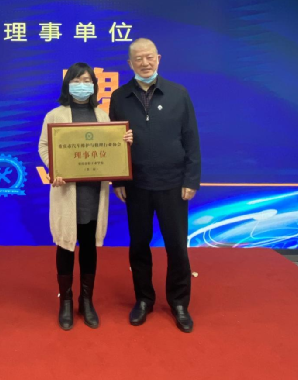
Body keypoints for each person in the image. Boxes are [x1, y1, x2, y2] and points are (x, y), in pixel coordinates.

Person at [109, 39, 201, 333]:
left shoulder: (178, 93)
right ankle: (144, 299)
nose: (145, 63)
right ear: (130, 63)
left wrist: (191, 179)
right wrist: (118, 180)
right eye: (138, 59)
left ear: (158, 58)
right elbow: (113, 143)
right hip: (136, 185)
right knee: (138, 245)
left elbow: (191, 138)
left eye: (149, 57)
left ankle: (179, 303)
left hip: (173, 184)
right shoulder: (119, 97)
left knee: (177, 246)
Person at [39, 62, 132, 331]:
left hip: (93, 193)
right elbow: (44, 146)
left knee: (89, 246)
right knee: (66, 246)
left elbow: (111, 149)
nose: (83, 84)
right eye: (77, 80)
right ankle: (66, 301)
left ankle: (86, 300)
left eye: (87, 80)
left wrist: (123, 142)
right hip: (67, 192)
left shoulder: (102, 116)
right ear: (68, 84)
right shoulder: (55, 115)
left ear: (94, 85)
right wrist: (54, 168)